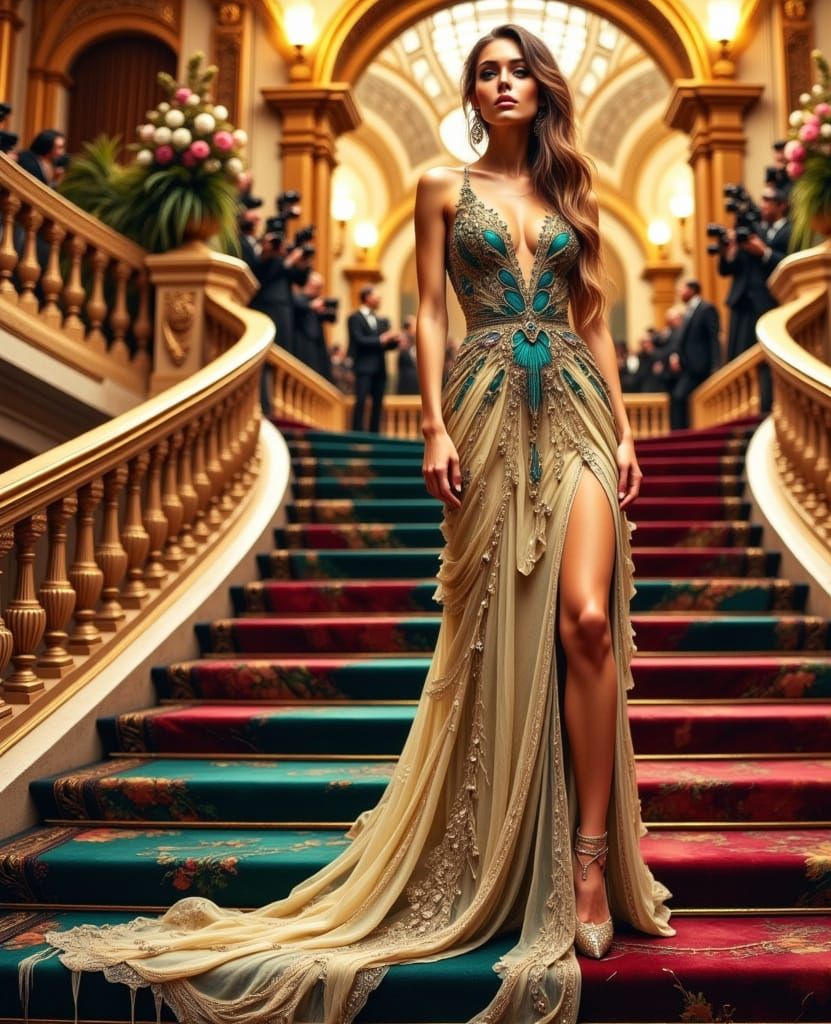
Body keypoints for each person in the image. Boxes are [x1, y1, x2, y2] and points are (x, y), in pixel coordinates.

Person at [44, 23, 671, 1024]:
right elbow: (428, 309)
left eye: (517, 71)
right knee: (508, 626)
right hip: (480, 406)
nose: (503, 83)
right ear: (474, 95)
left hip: (582, 415)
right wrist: (429, 421)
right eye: (487, 73)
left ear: (542, 89)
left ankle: (589, 860)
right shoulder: (436, 185)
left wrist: (628, 421)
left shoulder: (574, 191)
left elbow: (591, 314)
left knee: (588, 620)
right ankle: (507, 856)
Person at [719, 184, 791, 363]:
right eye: (762, 200)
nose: (762, 204)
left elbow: (787, 265)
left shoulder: (788, 231)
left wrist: (764, 251)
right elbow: (726, 269)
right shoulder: (751, 230)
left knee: (760, 358)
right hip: (741, 300)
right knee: (737, 358)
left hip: (766, 301)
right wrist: (730, 250)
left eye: (768, 200)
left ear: (782, 205)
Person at [666, 279, 720, 430]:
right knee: (679, 398)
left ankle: (679, 436)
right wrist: (676, 355)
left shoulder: (706, 308)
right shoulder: (689, 310)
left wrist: (716, 366)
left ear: (692, 290)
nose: (679, 292)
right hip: (687, 367)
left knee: (679, 397)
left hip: (700, 366)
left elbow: (713, 338)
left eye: (682, 289)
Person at [347, 284, 400, 432]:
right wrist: (382, 339)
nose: (379, 299)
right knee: (361, 400)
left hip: (379, 367)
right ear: (367, 297)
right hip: (363, 367)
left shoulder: (381, 320)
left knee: (378, 402)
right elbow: (358, 340)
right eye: (376, 296)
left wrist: (394, 341)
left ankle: (374, 433)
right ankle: (357, 432)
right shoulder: (354, 318)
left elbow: (386, 346)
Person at [395, 314, 420, 394]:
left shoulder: (418, 343)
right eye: (415, 326)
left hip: (418, 385)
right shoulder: (402, 342)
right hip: (407, 386)